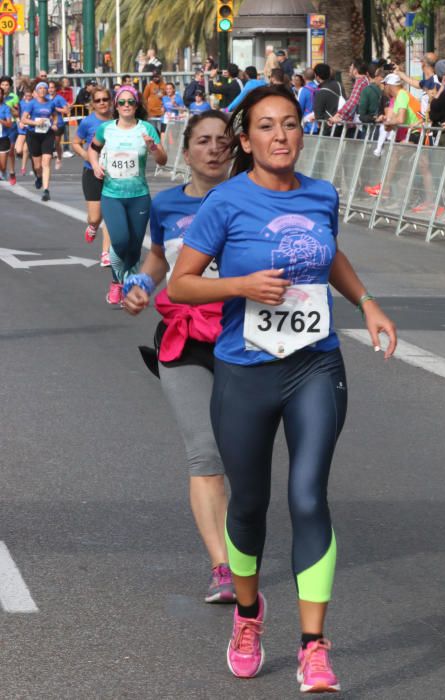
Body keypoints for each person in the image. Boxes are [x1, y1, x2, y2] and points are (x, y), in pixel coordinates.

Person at [168, 84, 397, 692]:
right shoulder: (226, 201)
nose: (280, 136)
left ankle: (314, 648)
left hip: (314, 365)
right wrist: (239, 287)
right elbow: (181, 285)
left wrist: (367, 303)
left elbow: (330, 255)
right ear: (246, 140)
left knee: (307, 497)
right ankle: (247, 616)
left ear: (302, 133)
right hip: (245, 369)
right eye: (266, 127)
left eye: (290, 125)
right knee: (248, 504)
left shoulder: (322, 194)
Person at [122, 110, 237, 602]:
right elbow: (159, 258)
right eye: (203, 141)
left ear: (236, 148)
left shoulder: (252, 198)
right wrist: (142, 285)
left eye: (222, 140)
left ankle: (243, 547)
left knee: (245, 458)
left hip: (245, 337)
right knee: (205, 453)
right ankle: (223, 567)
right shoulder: (166, 204)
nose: (213, 149)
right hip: (186, 337)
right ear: (185, 150)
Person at [87, 86, 167, 305]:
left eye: (130, 102)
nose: (126, 106)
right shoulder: (106, 129)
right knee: (121, 241)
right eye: (121, 102)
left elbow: (163, 160)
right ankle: (116, 281)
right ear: (116, 105)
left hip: (139, 195)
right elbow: (93, 149)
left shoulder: (147, 128)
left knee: (134, 247)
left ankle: (127, 286)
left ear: (137, 104)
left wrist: (153, 148)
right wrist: (95, 165)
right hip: (112, 195)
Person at [72, 86, 113, 267]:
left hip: (114, 174)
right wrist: (87, 156)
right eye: (98, 100)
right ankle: (93, 226)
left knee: (111, 214)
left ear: (110, 101)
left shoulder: (118, 121)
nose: (102, 103)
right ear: (93, 104)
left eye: (105, 99)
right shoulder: (88, 122)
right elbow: (75, 142)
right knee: (95, 217)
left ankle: (106, 253)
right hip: (92, 172)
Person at [21, 81, 59, 201]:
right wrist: (35, 122)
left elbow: (55, 116)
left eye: (45, 88)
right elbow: (23, 119)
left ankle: (46, 190)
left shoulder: (51, 103)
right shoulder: (31, 104)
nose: (42, 90)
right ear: (36, 91)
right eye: (40, 88)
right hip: (33, 135)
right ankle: (38, 177)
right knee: (37, 166)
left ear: (47, 90)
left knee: (46, 162)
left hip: (47, 134)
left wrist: (55, 124)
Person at [328, 59, 369, 126]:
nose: (349, 70)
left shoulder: (360, 82)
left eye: (351, 68)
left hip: (361, 121)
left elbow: (353, 102)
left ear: (355, 70)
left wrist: (338, 115)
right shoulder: (365, 80)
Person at [0, 75, 19, 184]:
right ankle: (3, 170)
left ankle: (12, 171)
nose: (5, 86)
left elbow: (17, 113)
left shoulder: (13, 97)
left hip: (10, 127)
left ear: (10, 86)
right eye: (2, 84)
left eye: (7, 85)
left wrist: (8, 106)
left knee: (11, 150)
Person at [47, 80, 69, 170]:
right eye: (49, 87)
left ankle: (59, 158)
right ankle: (45, 162)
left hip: (58, 123)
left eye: (52, 87)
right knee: (47, 143)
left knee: (56, 143)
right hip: (47, 124)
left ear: (55, 88)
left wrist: (56, 108)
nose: (50, 89)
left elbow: (66, 110)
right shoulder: (45, 97)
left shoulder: (59, 98)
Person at [15, 85, 33, 176]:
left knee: (26, 150)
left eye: (30, 96)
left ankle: (23, 168)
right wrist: (19, 122)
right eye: (27, 96)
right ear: (24, 95)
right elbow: (17, 115)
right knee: (19, 150)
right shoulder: (21, 103)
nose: (28, 97)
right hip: (22, 130)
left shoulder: (34, 103)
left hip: (30, 129)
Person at [0, 86, 12, 177]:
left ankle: (3, 171)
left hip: (3, 138)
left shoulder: (5, 108)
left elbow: (9, 124)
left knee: (3, 166)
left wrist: (1, 120)